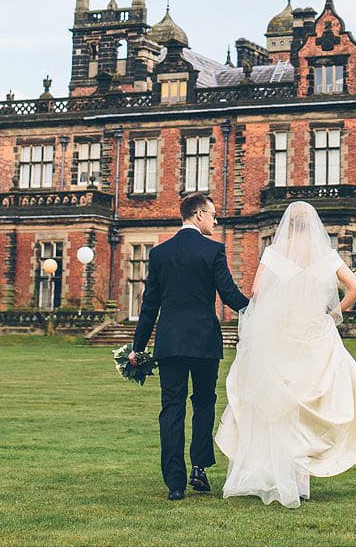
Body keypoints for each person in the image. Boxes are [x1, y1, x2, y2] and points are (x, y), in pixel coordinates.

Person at [215, 201, 356, 508]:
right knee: (313, 400)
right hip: (314, 334)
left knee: (281, 403)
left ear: (287, 224)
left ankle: (282, 475)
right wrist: (332, 312)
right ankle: (300, 481)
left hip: (282, 335)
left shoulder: (275, 253)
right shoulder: (325, 255)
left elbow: (256, 293)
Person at [128, 191, 249, 502]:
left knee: (171, 408)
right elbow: (230, 296)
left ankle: (175, 484)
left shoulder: (159, 254)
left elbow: (149, 306)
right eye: (211, 214)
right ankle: (199, 467)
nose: (215, 220)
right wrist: (262, 307)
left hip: (169, 342)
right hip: (205, 341)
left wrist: (137, 347)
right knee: (205, 402)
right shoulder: (213, 251)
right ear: (198, 215)